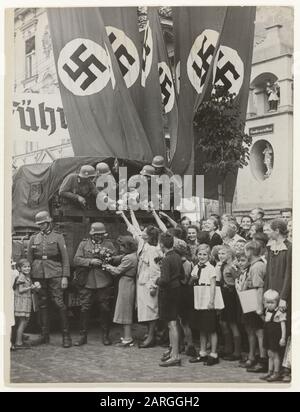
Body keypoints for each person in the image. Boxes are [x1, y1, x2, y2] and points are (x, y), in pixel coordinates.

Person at [117, 209, 161, 348]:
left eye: (144, 232)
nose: (140, 232)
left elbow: (155, 271)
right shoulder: (144, 244)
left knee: (152, 311)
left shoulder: (153, 250)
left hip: (148, 284)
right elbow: (134, 229)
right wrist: (127, 214)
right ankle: (149, 334)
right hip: (141, 283)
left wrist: (153, 286)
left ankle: (151, 336)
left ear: (148, 236)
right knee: (146, 311)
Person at [27, 211, 71, 348]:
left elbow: (65, 258)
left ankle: (66, 336)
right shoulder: (34, 238)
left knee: (59, 303)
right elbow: (29, 259)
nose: (41, 226)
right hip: (38, 274)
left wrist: (65, 276)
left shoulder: (58, 237)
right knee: (42, 304)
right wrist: (29, 278)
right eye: (39, 224)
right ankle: (44, 335)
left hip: (55, 273)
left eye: (43, 223)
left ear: (49, 222)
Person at [73, 222, 116, 346]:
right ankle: (82, 336)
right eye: (97, 235)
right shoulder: (84, 244)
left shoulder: (108, 244)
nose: (99, 237)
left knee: (105, 308)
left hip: (104, 280)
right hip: (87, 281)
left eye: (101, 235)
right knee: (85, 308)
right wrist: (90, 261)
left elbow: (115, 258)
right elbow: (76, 259)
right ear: (92, 234)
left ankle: (105, 335)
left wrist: (107, 260)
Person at [264, 218, 292, 381]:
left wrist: (283, 298)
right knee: (272, 332)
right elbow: (268, 272)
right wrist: (265, 294)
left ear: (277, 231)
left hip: (282, 296)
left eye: (270, 229)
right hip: (271, 297)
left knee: (283, 331)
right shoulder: (270, 247)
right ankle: (273, 368)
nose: (268, 232)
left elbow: (289, 274)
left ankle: (283, 369)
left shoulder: (289, 247)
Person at [189, 245, 220, 366]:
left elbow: (213, 285)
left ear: (209, 256)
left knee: (211, 328)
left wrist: (212, 300)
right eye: (200, 254)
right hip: (198, 299)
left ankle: (213, 353)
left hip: (207, 298)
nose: (202, 257)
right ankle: (202, 352)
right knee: (202, 327)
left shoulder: (211, 268)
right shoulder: (196, 267)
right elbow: (192, 281)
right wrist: (193, 279)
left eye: (204, 255)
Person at [104, 236, 138, 347]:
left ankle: (128, 338)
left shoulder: (128, 258)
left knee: (125, 311)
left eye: (122, 246)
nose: (120, 248)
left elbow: (116, 271)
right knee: (125, 310)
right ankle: (127, 336)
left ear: (128, 246)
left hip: (126, 284)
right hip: (127, 283)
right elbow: (120, 258)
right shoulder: (132, 255)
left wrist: (107, 266)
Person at [156, 232, 184, 367]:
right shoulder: (177, 256)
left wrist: (156, 280)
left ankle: (175, 355)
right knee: (174, 323)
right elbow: (182, 275)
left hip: (168, 293)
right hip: (177, 291)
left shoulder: (166, 259)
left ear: (161, 244)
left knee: (171, 324)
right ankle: (173, 350)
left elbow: (164, 280)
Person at [240, 241, 268, 373]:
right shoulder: (252, 265)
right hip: (248, 296)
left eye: (246, 251)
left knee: (258, 331)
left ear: (250, 251)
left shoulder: (257, 266)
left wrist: (259, 307)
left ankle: (263, 359)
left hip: (254, 298)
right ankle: (252, 356)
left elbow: (259, 287)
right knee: (250, 329)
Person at [217, 245, 242, 361]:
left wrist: (230, 286)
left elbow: (238, 279)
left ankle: (237, 352)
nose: (220, 256)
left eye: (223, 253)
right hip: (223, 294)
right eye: (219, 253)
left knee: (232, 323)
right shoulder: (222, 265)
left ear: (230, 254)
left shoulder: (233, 266)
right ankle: (228, 348)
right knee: (223, 322)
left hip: (231, 295)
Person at [260, 290, 287, 382]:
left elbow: (283, 326)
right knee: (269, 354)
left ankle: (276, 372)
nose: (270, 305)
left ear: (277, 302)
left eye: (272, 302)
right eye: (267, 302)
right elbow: (266, 321)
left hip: (275, 336)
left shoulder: (280, 312)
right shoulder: (266, 310)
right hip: (268, 335)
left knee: (275, 354)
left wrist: (283, 337)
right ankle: (269, 371)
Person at [13, 259, 39, 349]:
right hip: (22, 302)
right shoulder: (22, 277)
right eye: (25, 267)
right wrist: (30, 287)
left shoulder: (26, 277)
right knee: (22, 322)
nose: (27, 268)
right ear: (19, 268)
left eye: (28, 266)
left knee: (23, 322)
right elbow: (20, 290)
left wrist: (35, 287)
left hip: (25, 302)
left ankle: (19, 340)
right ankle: (18, 342)